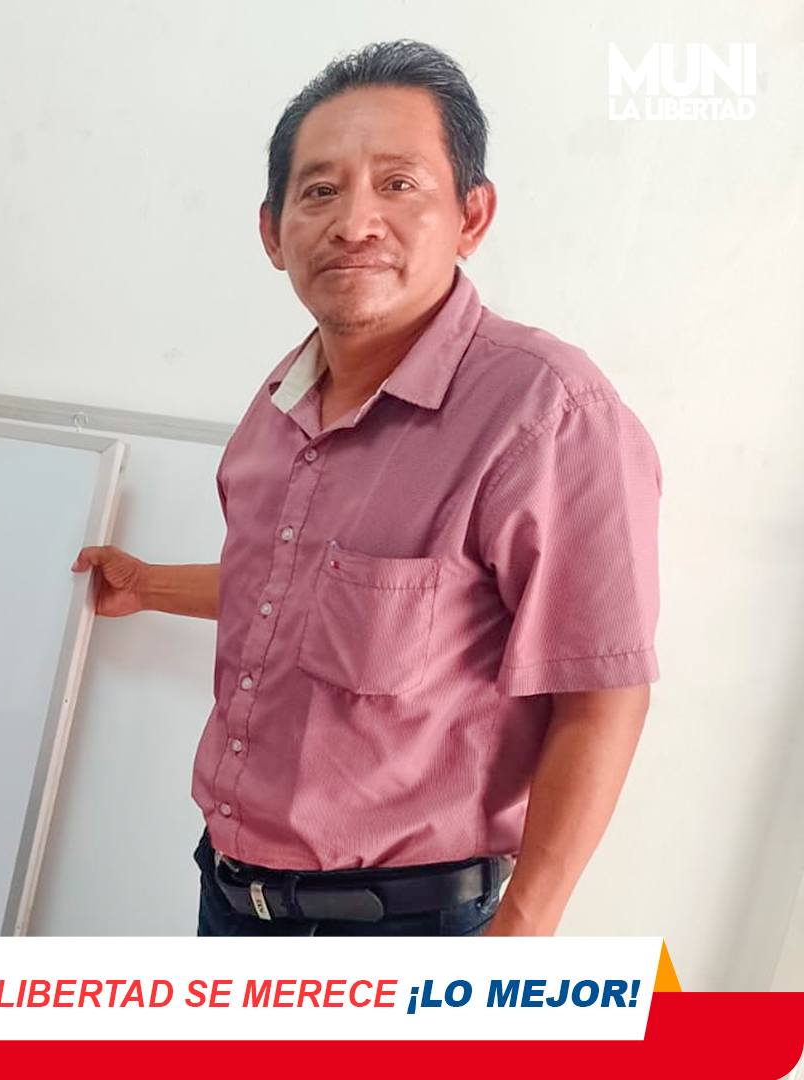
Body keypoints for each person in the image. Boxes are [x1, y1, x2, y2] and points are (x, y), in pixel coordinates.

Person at [74, 41, 660, 937]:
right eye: (319, 191)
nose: (354, 223)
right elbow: (298, 590)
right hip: (230, 899)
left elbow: (603, 692)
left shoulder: (548, 410)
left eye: (398, 184)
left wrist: (523, 935)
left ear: (471, 215)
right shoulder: (279, 403)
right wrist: (149, 584)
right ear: (272, 233)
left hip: (406, 932)